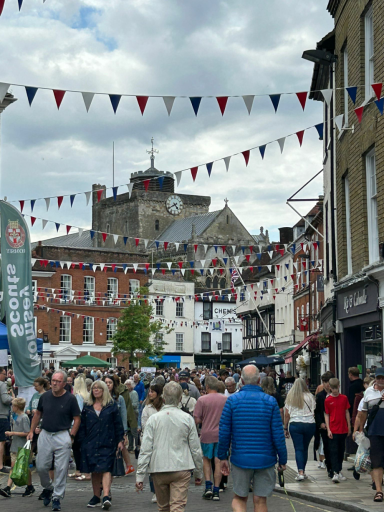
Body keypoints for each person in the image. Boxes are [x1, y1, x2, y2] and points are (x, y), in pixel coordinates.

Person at [218, 365, 287, 512]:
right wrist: (283, 459)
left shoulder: (232, 401)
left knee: (239, 498)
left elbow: (224, 431)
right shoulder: (270, 402)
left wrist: (222, 456)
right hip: (266, 459)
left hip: (240, 458)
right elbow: (278, 433)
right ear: (259, 380)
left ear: (241, 380)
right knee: (260, 500)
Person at [136, 382, 203, 512]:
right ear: (179, 399)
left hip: (158, 467)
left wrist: (140, 475)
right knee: (177, 507)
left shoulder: (153, 419)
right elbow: (195, 448)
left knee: (163, 507)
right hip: (182, 467)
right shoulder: (187, 419)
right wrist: (198, 472)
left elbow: (146, 449)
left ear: (163, 398)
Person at [27, 370, 81, 511]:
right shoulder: (45, 396)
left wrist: (72, 436)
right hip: (45, 434)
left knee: (61, 468)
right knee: (40, 466)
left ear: (64, 383)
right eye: (53, 381)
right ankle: (48, 488)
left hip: (62, 434)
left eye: (58, 381)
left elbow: (77, 419)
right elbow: (38, 413)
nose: (54, 383)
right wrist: (31, 431)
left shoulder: (70, 399)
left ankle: (57, 497)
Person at [78, 380, 124, 510]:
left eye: (99, 388)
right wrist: (82, 442)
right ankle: (96, 496)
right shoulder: (87, 406)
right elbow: (82, 425)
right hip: (91, 442)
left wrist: (120, 439)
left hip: (107, 441)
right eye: (94, 388)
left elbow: (117, 423)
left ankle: (106, 496)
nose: (96, 390)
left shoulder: (111, 406)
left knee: (106, 468)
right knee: (95, 470)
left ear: (104, 390)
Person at [193, 376, 227, 501]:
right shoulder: (225, 399)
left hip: (206, 434)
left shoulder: (202, 400)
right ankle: (217, 490)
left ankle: (208, 487)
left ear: (207, 387)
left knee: (206, 460)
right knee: (218, 461)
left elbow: (197, 419)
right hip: (222, 435)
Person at [356, 367, 384, 501]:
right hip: (374, 431)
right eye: (379, 378)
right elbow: (363, 412)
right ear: (375, 378)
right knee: (376, 461)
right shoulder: (368, 392)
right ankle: (379, 491)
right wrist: (361, 429)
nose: (381, 380)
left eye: (383, 378)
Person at [0, 397, 34, 498]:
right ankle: (9, 488)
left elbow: (27, 432)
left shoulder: (24, 418)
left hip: (21, 446)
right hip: (15, 446)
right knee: (14, 467)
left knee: (21, 468)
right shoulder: (16, 417)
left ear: (17, 407)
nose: (12, 407)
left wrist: (12, 433)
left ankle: (25, 486)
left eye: (13, 406)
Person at [284, 378, 316, 481]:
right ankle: (304, 471)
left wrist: (285, 427)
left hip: (295, 424)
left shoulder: (291, 397)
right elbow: (314, 411)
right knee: (305, 448)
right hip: (309, 424)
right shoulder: (310, 396)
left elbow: (287, 414)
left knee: (298, 448)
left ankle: (300, 472)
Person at [141, 381, 164, 503]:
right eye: (149, 391)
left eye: (152, 391)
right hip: (151, 441)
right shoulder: (147, 408)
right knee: (152, 468)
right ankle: (155, 492)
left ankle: (164, 491)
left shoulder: (164, 407)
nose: (150, 393)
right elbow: (144, 425)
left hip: (164, 440)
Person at [324, 378, 351, 484]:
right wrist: (328, 429)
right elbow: (327, 414)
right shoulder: (328, 400)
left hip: (343, 428)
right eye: (333, 388)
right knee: (333, 451)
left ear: (339, 386)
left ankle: (338, 470)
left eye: (336, 388)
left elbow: (346, 412)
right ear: (330, 387)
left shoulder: (344, 398)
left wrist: (349, 426)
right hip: (333, 429)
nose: (335, 390)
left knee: (341, 451)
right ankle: (335, 472)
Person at [71, 375, 90, 481]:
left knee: (77, 448)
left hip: (78, 425)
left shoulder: (78, 396)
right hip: (85, 425)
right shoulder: (86, 395)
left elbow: (77, 412)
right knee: (81, 448)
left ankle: (81, 470)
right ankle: (80, 470)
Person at [315, 372, 333, 476]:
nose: (326, 384)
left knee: (335, 447)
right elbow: (317, 411)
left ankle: (335, 467)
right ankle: (329, 468)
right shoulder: (320, 396)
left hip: (335, 425)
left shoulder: (336, 394)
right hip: (324, 426)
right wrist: (320, 423)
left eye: (328, 382)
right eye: (325, 382)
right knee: (326, 446)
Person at [0, 366, 13, 474]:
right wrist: (12, 398)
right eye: (4, 374)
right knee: (1, 441)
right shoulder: (2, 384)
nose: (6, 376)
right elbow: (4, 400)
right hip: (2, 416)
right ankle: (0, 465)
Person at [125, 380, 139, 453]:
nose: (127, 386)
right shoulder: (127, 393)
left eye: (128, 384)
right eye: (126, 384)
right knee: (129, 432)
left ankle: (137, 447)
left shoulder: (134, 393)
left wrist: (127, 405)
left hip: (134, 413)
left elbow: (135, 404)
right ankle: (130, 447)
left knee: (134, 431)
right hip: (128, 414)